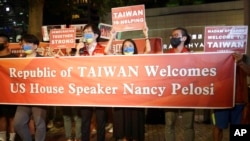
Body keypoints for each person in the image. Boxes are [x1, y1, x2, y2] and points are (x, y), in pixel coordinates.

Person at [104, 25, 151, 141]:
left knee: (135, 125)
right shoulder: (118, 59)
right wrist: (112, 37)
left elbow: (148, 50)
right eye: (125, 46)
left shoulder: (139, 59)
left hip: (136, 97)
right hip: (121, 97)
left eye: (130, 46)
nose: (127, 48)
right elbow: (106, 51)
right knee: (122, 125)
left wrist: (146, 35)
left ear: (134, 48)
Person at [76, 23, 107, 141]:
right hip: (85, 90)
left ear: (96, 35)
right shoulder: (81, 50)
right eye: (85, 32)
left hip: (100, 90)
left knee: (100, 120)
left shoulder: (103, 49)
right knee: (85, 120)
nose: (86, 34)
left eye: (89, 32)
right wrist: (78, 51)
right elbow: (74, 67)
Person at [13, 34, 47, 141]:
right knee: (18, 123)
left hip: (39, 97)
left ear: (36, 46)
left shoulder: (44, 61)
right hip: (24, 97)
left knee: (39, 124)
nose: (25, 46)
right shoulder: (17, 61)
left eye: (28, 43)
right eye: (23, 44)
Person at [165, 27, 195, 141]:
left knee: (188, 126)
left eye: (176, 35)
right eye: (172, 35)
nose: (173, 37)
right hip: (170, 95)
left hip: (187, 94)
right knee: (169, 125)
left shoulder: (192, 56)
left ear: (184, 38)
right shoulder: (165, 57)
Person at [212, 52, 249, 141]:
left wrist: (240, 62)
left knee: (239, 130)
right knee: (218, 126)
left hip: (239, 99)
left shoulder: (245, 56)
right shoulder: (216, 55)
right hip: (221, 99)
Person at [0, 33, 18, 141]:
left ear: (7, 44)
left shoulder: (15, 59)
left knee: (12, 118)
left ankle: (12, 138)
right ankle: (2, 138)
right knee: (1, 117)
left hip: (12, 94)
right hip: (0, 94)